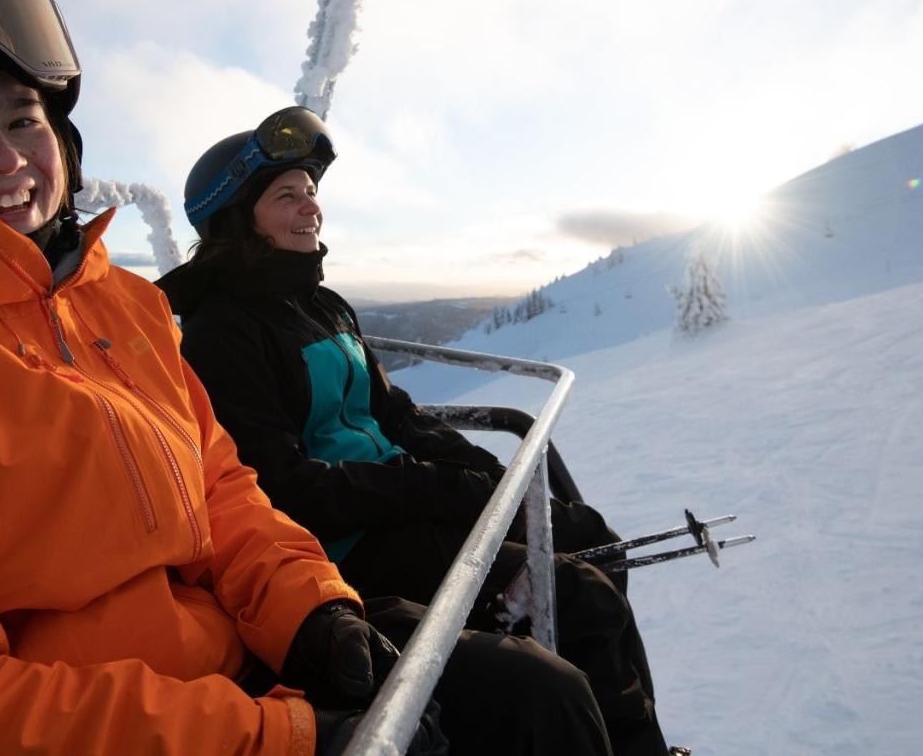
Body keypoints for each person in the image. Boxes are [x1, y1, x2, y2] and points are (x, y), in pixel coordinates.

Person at [0, 0, 609, 756]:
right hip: (122, 729)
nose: (3, 157)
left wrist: (311, 612)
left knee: (537, 698)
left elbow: (222, 489)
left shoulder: (123, 309)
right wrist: (285, 736)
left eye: (24, 119)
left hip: (241, 675)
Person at [157, 106, 673, 756]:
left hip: (401, 507)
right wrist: (436, 490)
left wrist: (482, 473)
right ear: (238, 220)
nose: (309, 208)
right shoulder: (224, 335)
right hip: (345, 545)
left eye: (311, 192)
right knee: (580, 597)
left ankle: (614, 732)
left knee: (593, 537)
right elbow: (281, 487)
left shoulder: (322, 304)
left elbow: (395, 412)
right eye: (286, 196)